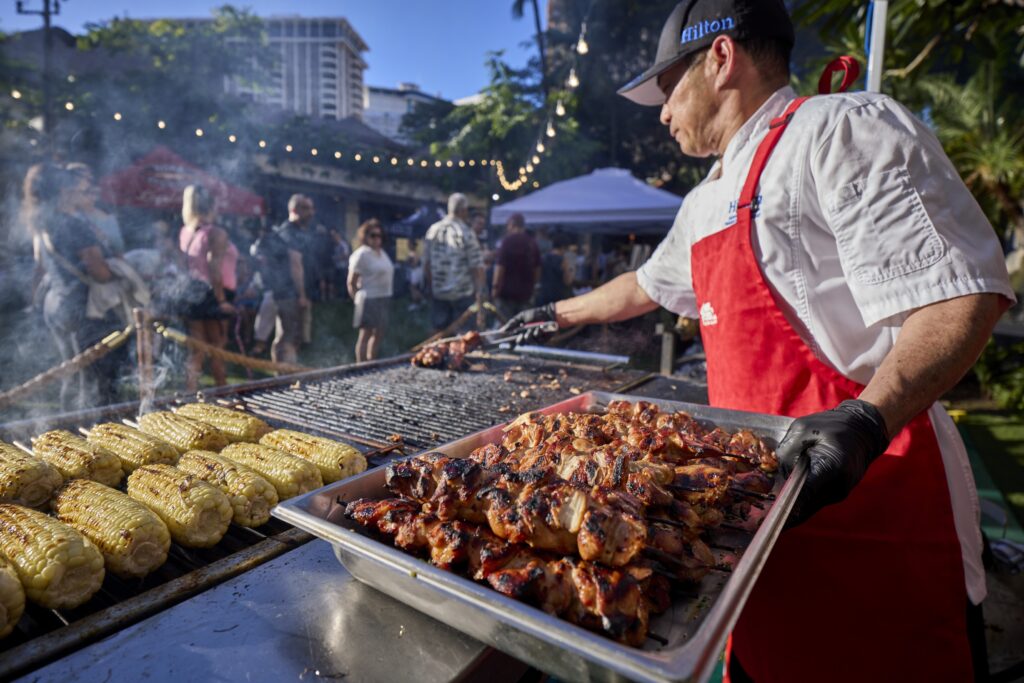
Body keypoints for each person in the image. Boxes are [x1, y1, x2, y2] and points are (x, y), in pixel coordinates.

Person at [503, 1, 1015, 681]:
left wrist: (865, 420)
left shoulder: (841, 131)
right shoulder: (705, 200)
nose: (660, 111)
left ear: (719, 58)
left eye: (666, 86)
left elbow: (960, 295)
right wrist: (556, 313)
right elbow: (645, 285)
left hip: (874, 513)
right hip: (754, 529)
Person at [23, 163, 125, 410]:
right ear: (64, 191)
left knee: (73, 371)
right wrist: (125, 270)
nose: (86, 193)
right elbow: (99, 273)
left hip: (56, 305)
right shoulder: (73, 225)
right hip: (84, 309)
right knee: (96, 377)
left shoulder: (45, 223)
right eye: (82, 190)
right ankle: (95, 427)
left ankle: (67, 426)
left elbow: (40, 266)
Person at [178, 184, 238, 391]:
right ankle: (222, 391)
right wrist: (221, 301)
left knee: (197, 349)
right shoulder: (216, 232)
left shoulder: (186, 232)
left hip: (192, 294)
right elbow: (214, 268)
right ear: (213, 205)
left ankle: (190, 392)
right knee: (217, 347)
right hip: (214, 294)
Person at [252, 195, 311, 365]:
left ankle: (281, 373)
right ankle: (286, 375)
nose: (310, 213)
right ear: (294, 210)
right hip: (288, 292)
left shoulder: (283, 231)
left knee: (283, 336)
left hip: (279, 291)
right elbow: (295, 264)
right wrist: (301, 294)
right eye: (305, 208)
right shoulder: (291, 233)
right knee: (290, 336)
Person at [423, 193, 485, 332]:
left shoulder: (433, 230)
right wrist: (480, 294)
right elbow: (477, 267)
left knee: (439, 337)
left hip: (439, 294)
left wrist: (432, 286)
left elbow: (426, 264)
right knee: (463, 338)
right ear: (463, 210)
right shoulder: (466, 233)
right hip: (462, 295)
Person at [347, 219, 395, 362]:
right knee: (366, 333)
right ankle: (360, 364)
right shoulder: (361, 254)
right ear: (365, 236)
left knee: (379, 332)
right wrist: (357, 300)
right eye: (373, 235)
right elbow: (351, 281)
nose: (377, 239)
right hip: (369, 298)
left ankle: (371, 360)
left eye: (379, 236)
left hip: (384, 297)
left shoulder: (382, 253)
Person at [64, 162, 125, 256]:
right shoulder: (69, 211)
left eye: (95, 194)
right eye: (87, 178)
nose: (93, 198)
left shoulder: (105, 217)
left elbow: (117, 248)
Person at [491, 212, 540, 320]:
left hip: (506, 294)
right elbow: (537, 269)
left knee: (505, 325)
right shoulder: (532, 243)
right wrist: (533, 285)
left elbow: (500, 268)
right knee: (524, 326)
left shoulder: (506, 242)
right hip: (526, 294)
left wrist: (495, 289)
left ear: (512, 225)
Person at [535, 231, 574, 307]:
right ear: (563, 247)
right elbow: (568, 281)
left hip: (543, 296)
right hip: (557, 298)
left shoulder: (543, 258)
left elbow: (538, 276)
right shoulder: (563, 260)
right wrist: (570, 269)